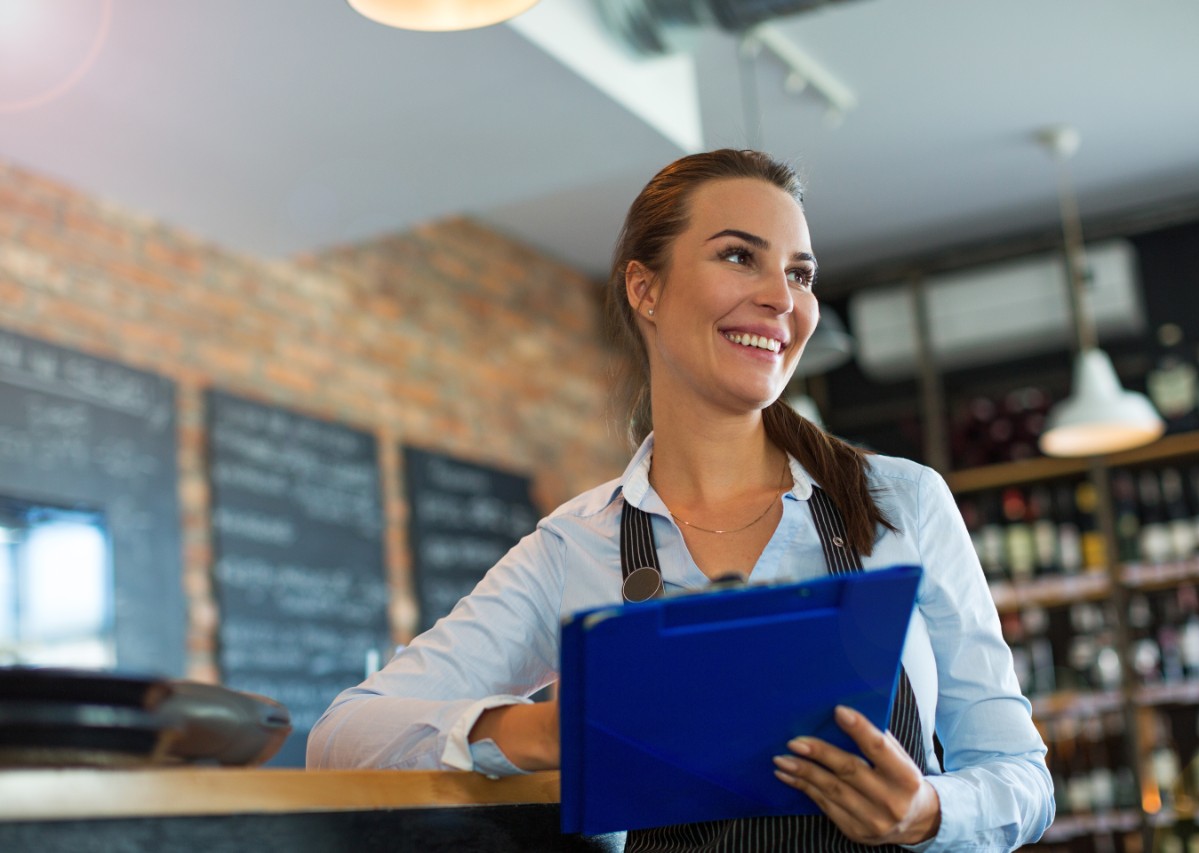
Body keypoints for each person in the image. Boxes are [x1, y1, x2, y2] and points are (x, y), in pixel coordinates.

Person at [307, 149, 1055, 850]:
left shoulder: (903, 502)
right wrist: (545, 733)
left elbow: (1022, 775)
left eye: (800, 273)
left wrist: (929, 813)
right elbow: (341, 738)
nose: (780, 298)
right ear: (646, 289)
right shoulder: (574, 546)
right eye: (739, 256)